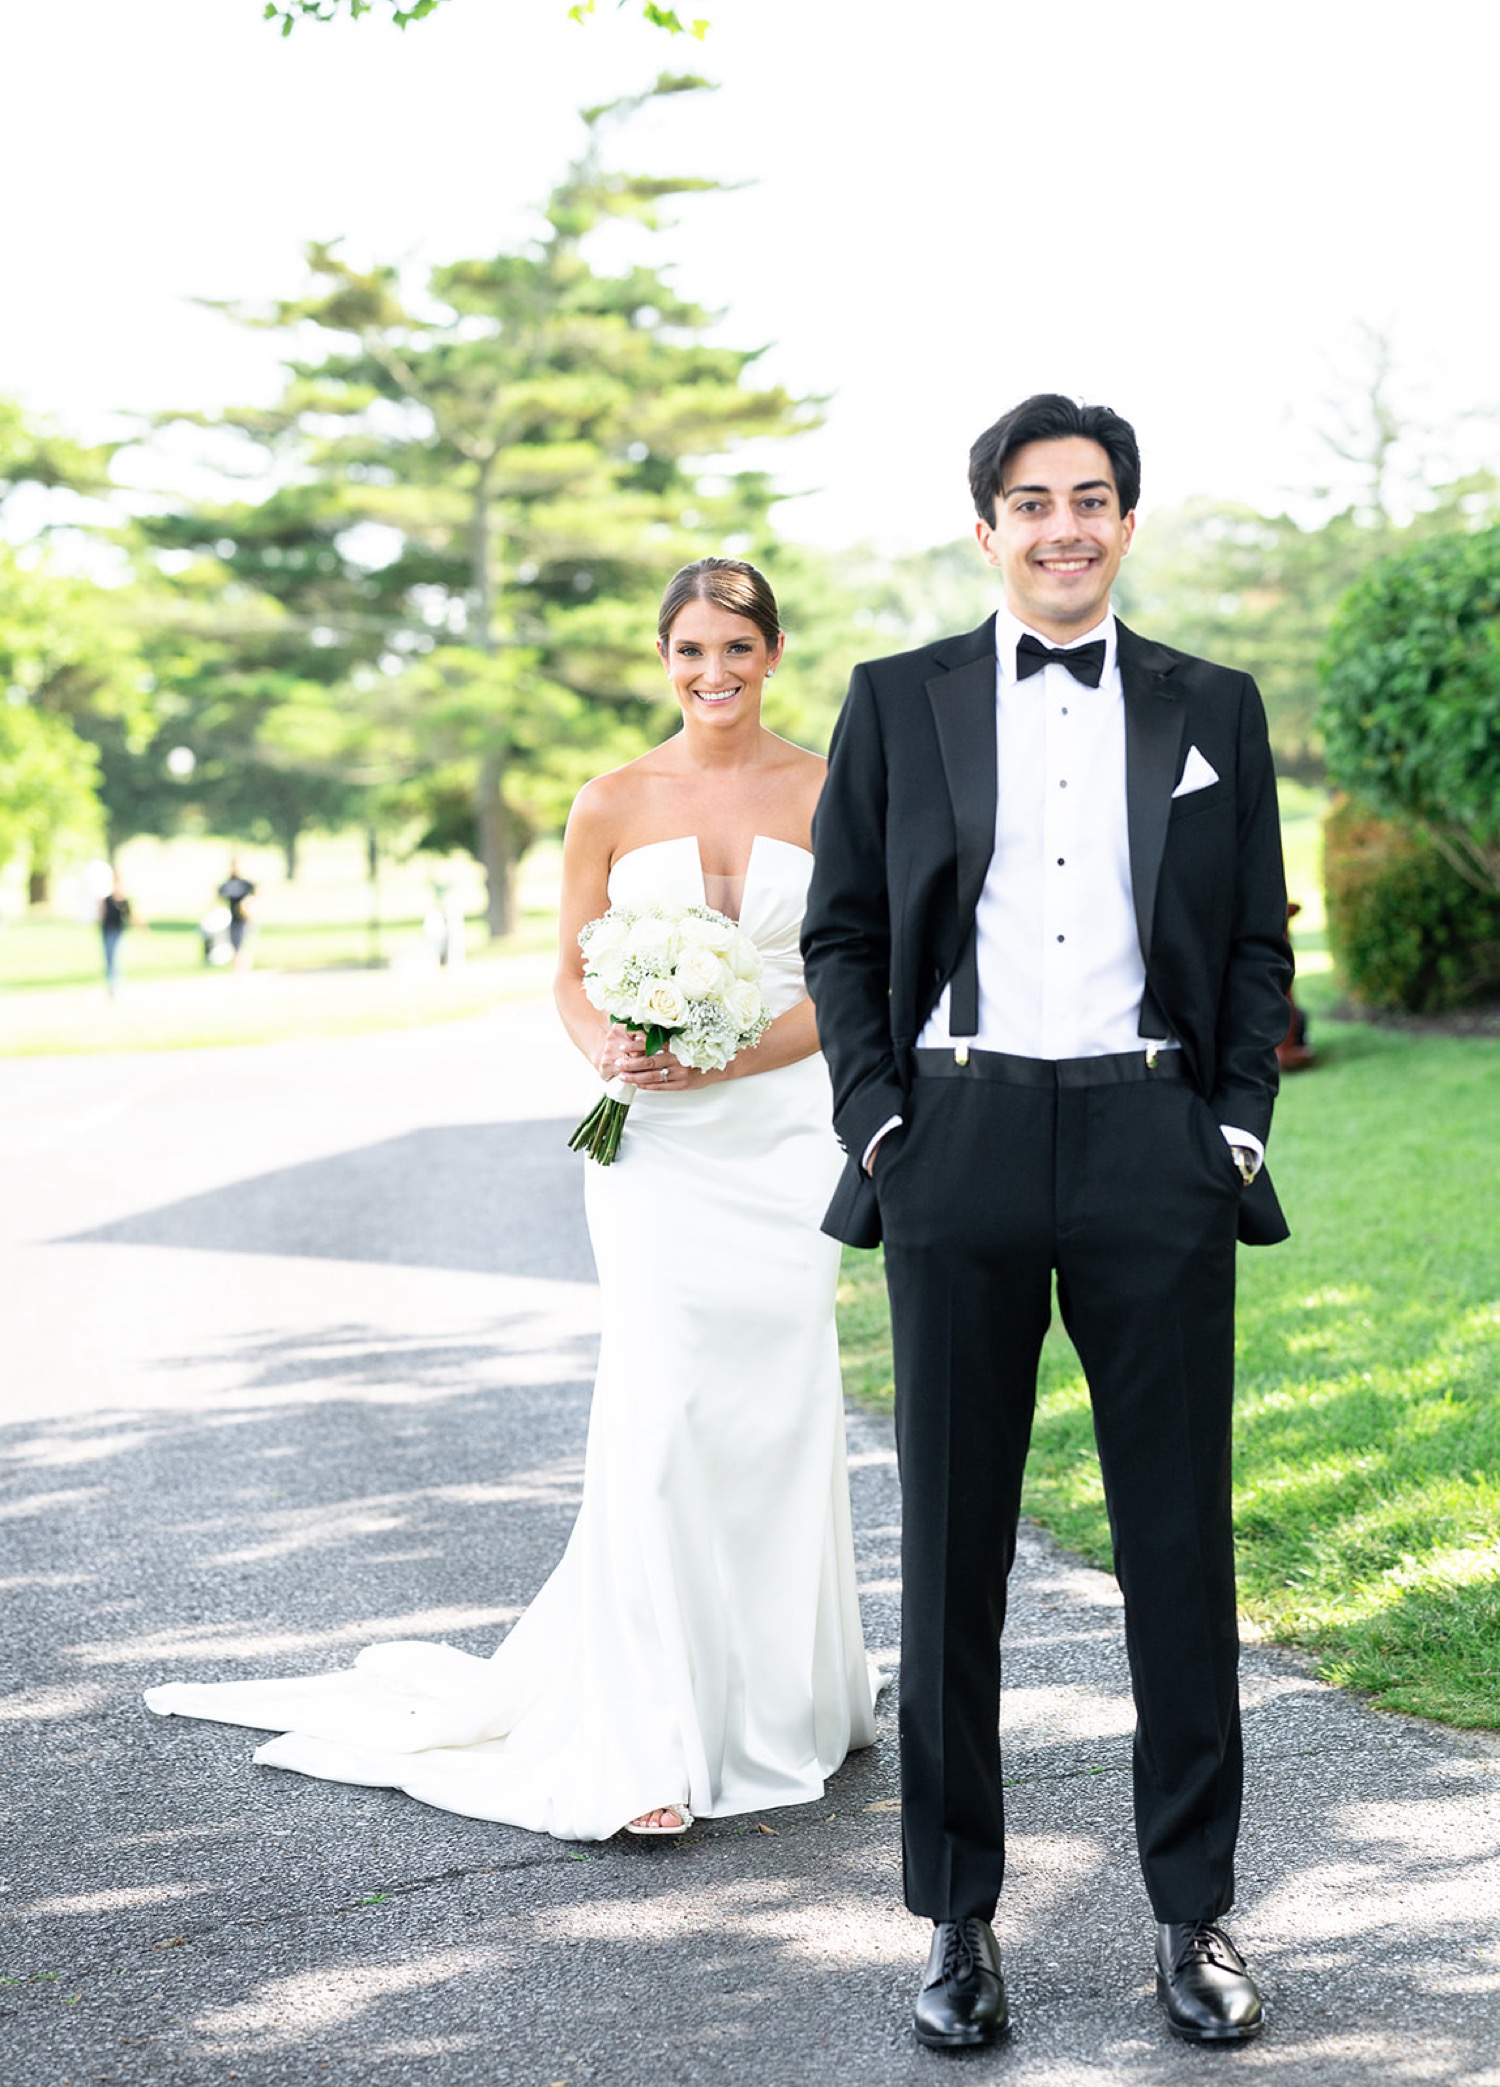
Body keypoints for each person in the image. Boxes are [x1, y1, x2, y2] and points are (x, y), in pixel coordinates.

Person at [146, 557, 878, 1840]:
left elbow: (857, 978)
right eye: (690, 649)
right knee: (660, 1410)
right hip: (652, 1147)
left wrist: (738, 1050)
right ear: (663, 657)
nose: (713, 673)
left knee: (775, 1410)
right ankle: (646, 1732)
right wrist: (606, 1045)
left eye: (737, 648)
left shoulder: (834, 791)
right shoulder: (608, 800)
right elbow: (568, 976)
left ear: (774, 653)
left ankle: (787, 1693)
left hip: (776, 1134)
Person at [802, 396, 1293, 2051]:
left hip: (1155, 1142)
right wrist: (881, 1123)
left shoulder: (1214, 705)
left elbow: (1250, 952)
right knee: (952, 1549)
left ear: (1130, 524)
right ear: (986, 524)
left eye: (1093, 501)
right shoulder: (895, 701)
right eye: (1033, 501)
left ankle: (1194, 1915)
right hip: (963, 1137)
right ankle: (955, 1920)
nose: (1064, 526)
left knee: (1178, 1543)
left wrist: (1227, 1128)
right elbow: (845, 933)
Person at [217, 859, 256, 971]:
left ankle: (242, 966)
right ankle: (237, 966)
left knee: (242, 942)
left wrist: (249, 904)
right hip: (233, 917)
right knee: (234, 942)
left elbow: (256, 893)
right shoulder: (227, 883)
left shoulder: (244, 883)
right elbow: (219, 896)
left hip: (244, 918)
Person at [99, 870, 132, 997]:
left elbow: (130, 916)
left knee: (115, 957)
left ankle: (115, 984)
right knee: (108, 958)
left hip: (117, 932)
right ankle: (110, 984)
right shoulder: (107, 899)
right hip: (106, 931)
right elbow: (101, 915)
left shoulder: (123, 900)